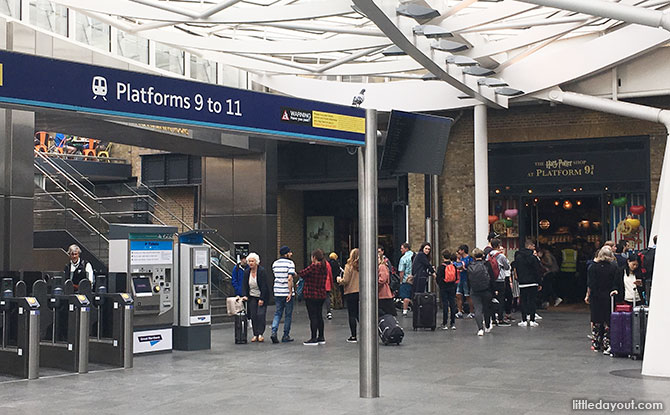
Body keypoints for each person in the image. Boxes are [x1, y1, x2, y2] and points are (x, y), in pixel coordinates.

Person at [585, 246, 618, 353]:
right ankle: (607, 342)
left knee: (596, 319)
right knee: (607, 320)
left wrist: (588, 295)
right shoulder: (614, 267)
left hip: (596, 297)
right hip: (608, 296)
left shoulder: (592, 267)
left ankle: (596, 342)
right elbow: (615, 283)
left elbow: (591, 284)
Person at [298, 249, 328, 346]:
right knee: (319, 315)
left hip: (311, 294)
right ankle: (321, 337)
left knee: (313, 316)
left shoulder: (313, 267)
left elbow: (302, 273)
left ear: (314, 257)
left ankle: (313, 338)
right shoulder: (324, 267)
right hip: (321, 294)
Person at [242, 253, 270, 343]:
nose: (251, 263)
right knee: (253, 315)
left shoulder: (262, 271)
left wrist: (262, 298)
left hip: (261, 295)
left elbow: (264, 286)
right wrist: (245, 295)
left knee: (261, 315)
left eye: (252, 261)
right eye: (249, 261)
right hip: (252, 296)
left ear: (256, 262)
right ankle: (255, 334)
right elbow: (245, 285)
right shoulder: (247, 272)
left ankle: (261, 334)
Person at [515, 239, 543, 327]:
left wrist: (519, 279)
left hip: (523, 282)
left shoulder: (518, 257)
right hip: (533, 282)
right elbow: (537, 271)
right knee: (532, 301)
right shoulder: (533, 258)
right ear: (529, 246)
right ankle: (532, 319)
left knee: (523, 301)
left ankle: (523, 319)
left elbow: (517, 270)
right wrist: (539, 282)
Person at [270, 246, 295, 344]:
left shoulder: (275, 264)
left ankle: (273, 331)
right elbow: (289, 278)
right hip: (286, 292)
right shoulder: (290, 263)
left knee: (278, 313)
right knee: (288, 315)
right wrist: (289, 292)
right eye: (290, 252)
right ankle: (285, 335)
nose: (291, 254)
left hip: (277, 291)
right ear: (286, 253)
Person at [468, 248, 496, 336]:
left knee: (478, 309)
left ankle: (480, 329)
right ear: (483, 255)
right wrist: (494, 290)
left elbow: (468, 279)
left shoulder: (470, 265)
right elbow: (492, 278)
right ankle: (487, 325)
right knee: (487, 308)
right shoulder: (487, 264)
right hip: (486, 289)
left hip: (474, 290)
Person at [487, 239, 511, 326]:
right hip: (500, 279)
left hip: (491, 280)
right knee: (501, 299)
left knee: (492, 298)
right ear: (498, 246)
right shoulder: (501, 256)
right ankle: (500, 319)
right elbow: (507, 267)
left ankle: (493, 318)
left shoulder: (488, 256)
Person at [338, 248, 360, 343]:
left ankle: (353, 336)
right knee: (360, 314)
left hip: (351, 292)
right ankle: (366, 333)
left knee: (352, 314)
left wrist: (339, 280)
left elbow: (346, 280)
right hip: (361, 292)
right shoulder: (364, 266)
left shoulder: (349, 266)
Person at [435, 250, 458, 330]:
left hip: (444, 287)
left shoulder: (441, 267)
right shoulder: (453, 266)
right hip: (452, 287)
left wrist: (440, 284)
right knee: (452, 304)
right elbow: (456, 277)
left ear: (443, 257)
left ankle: (445, 323)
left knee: (445, 304)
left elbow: (438, 278)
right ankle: (453, 323)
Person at [455, 244, 475, 319]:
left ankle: (472, 312)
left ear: (462, 250)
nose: (459, 252)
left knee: (467, 295)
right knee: (458, 295)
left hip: (467, 279)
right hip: (461, 278)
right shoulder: (461, 259)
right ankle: (460, 311)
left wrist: (462, 267)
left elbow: (467, 267)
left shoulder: (469, 259)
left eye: (460, 250)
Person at [397, 242, 414, 317]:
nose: (401, 250)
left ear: (406, 249)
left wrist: (401, 281)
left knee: (405, 296)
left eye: (402, 248)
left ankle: (405, 311)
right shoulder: (414, 256)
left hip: (406, 279)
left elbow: (401, 271)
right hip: (415, 279)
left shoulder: (403, 258)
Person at [378, 249, 396, 316]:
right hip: (382, 294)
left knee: (386, 312)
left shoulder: (382, 266)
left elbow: (382, 279)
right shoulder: (380, 266)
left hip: (383, 293)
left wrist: (374, 285)